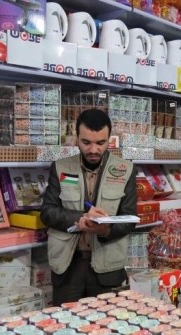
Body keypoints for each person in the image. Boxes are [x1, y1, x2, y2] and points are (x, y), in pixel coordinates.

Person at [41, 109, 137, 305]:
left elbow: (129, 218)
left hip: (107, 266)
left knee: (107, 321)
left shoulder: (125, 170)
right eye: (86, 142)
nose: (93, 150)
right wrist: (80, 218)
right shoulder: (60, 168)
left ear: (109, 140)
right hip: (68, 266)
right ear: (77, 138)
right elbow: (48, 212)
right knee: (65, 321)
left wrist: (105, 229)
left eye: (100, 143)